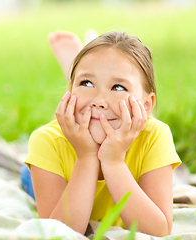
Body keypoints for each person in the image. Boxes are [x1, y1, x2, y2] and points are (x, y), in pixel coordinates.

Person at [22, 30, 181, 237]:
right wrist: (86, 157)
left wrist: (114, 162)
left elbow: (159, 231)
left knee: (89, 109)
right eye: (86, 83)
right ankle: (77, 69)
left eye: (118, 87)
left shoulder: (155, 136)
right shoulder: (46, 141)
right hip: (53, 173)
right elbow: (56, 234)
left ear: (147, 104)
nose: (99, 100)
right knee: (29, 175)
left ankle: (79, 67)